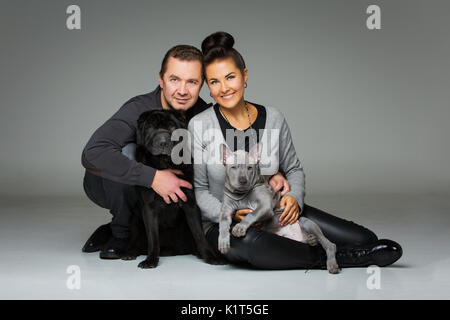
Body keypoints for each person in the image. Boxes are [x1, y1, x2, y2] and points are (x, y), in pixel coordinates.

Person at [187, 31, 402, 270]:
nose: (224, 88)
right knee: (257, 246)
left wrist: (294, 199)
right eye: (215, 82)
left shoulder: (273, 118)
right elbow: (201, 191)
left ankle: (348, 249)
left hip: (276, 211)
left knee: (364, 239)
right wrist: (231, 216)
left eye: (230, 77)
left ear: (244, 75)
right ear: (208, 86)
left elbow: (294, 169)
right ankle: (346, 258)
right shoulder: (200, 125)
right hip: (223, 224)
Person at [81, 45, 211, 259]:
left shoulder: (203, 114)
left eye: (192, 82)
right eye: (174, 79)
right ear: (161, 80)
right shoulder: (138, 108)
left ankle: (154, 231)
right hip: (109, 187)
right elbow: (93, 152)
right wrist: (153, 178)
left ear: (201, 85)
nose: (182, 90)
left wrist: (276, 174)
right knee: (128, 152)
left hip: (168, 201)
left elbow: (236, 152)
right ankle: (120, 233)